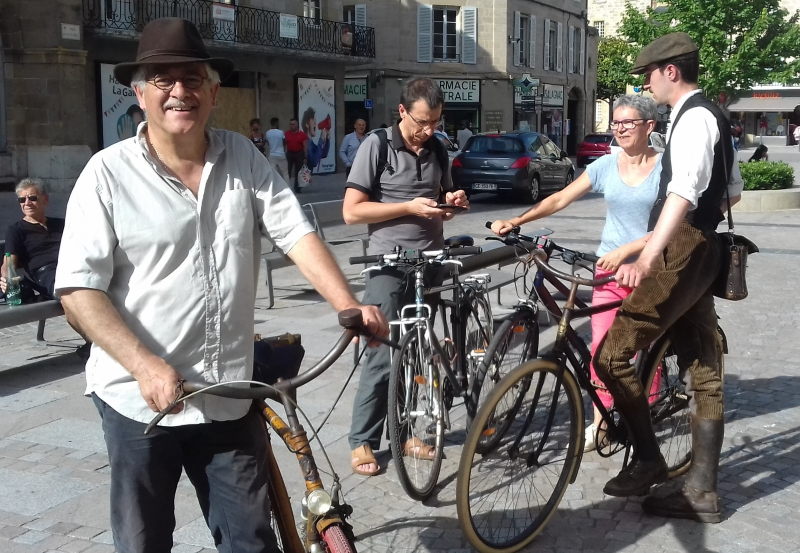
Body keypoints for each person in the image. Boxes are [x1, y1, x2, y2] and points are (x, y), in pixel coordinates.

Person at [53, 18, 387, 553]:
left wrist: (348, 303)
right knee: (143, 542)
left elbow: (294, 231)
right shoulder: (106, 174)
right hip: (140, 403)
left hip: (228, 393)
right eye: (162, 79)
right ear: (139, 93)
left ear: (212, 92)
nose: (179, 92)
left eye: (191, 79)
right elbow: (77, 293)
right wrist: (145, 365)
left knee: (251, 539)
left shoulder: (243, 158)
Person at [593, 32, 742, 523]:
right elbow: (732, 194)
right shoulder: (710, 115)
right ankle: (701, 490)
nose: (647, 81)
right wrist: (701, 233)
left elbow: (682, 192)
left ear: (671, 71)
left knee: (612, 356)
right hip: (704, 249)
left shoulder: (695, 118)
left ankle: (649, 458)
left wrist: (649, 255)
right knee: (703, 363)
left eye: (649, 73)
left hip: (682, 249)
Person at [490, 94, 663, 453]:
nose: (620, 128)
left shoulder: (666, 169)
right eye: (616, 122)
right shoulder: (605, 166)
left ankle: (646, 414)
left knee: (643, 349)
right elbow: (559, 198)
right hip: (608, 271)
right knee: (601, 350)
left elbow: (671, 226)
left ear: (650, 126)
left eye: (628, 122)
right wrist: (517, 220)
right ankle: (601, 423)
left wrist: (630, 252)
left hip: (650, 270)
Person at [343, 77, 469, 476]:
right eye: (421, 122)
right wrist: (407, 208)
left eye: (435, 121)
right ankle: (362, 440)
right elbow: (352, 212)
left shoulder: (438, 149)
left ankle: (407, 431)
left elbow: (441, 200)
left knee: (417, 352)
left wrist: (453, 203)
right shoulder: (376, 146)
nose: (428, 130)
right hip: (388, 263)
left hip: (430, 260)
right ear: (402, 112)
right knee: (382, 353)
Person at [1, 178, 64, 300]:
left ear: (45, 199)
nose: (27, 203)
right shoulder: (16, 230)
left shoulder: (60, 224)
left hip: (70, 266)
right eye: (22, 199)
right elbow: (8, 263)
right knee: (73, 290)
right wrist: (7, 279)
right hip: (47, 274)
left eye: (32, 198)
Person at [301, 107, 331, 173]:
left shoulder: (310, 142)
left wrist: (327, 139)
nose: (315, 123)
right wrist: (321, 139)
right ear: (307, 124)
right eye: (313, 121)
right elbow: (314, 162)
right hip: (303, 177)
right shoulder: (306, 142)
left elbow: (323, 154)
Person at [284, 117, 307, 192]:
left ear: (297, 125)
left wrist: (305, 157)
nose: (291, 126)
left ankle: (297, 187)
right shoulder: (286, 134)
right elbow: (284, 144)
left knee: (298, 171)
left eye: (293, 124)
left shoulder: (302, 134)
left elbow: (305, 146)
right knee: (288, 171)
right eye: (290, 124)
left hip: (299, 153)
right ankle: (286, 187)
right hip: (289, 153)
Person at [265, 117, 288, 181]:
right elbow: (284, 142)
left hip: (272, 155)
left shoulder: (267, 133)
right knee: (285, 173)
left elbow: (268, 143)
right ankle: (288, 188)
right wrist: (284, 150)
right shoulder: (281, 132)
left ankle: (275, 189)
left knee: (273, 174)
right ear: (276, 123)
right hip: (281, 154)